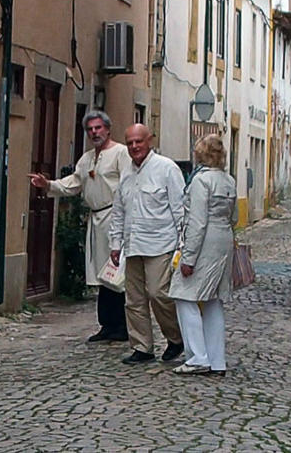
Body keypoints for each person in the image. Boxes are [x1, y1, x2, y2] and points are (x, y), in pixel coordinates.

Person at [28, 109, 131, 342]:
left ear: (107, 129)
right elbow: (73, 183)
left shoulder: (120, 154)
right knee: (101, 276)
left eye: (98, 128)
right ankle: (107, 324)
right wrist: (48, 184)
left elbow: (129, 185)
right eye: (90, 129)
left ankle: (122, 325)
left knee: (117, 274)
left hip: (115, 217)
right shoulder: (86, 159)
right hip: (96, 220)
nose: (94, 132)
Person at [109, 123, 185, 365]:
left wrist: (183, 245)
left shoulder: (167, 169)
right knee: (134, 300)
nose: (134, 147)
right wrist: (115, 243)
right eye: (130, 143)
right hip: (133, 245)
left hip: (160, 243)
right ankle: (142, 347)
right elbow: (119, 210)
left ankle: (177, 337)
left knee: (158, 293)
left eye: (138, 141)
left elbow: (180, 208)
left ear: (149, 140)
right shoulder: (127, 173)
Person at [169, 133, 237, 377]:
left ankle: (197, 356)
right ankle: (217, 360)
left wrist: (188, 258)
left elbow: (197, 223)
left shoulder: (201, 181)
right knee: (213, 300)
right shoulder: (228, 180)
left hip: (205, 241)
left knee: (184, 295)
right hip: (224, 239)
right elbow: (234, 218)